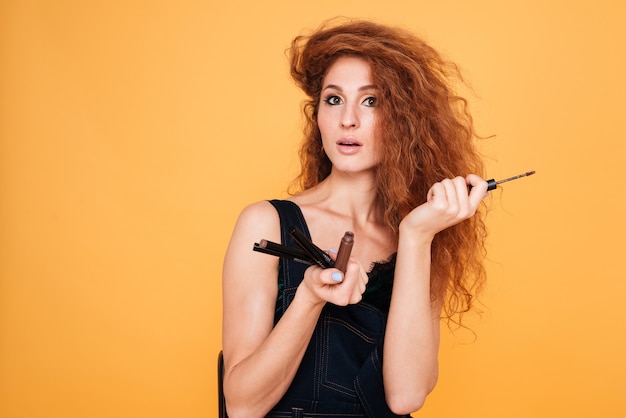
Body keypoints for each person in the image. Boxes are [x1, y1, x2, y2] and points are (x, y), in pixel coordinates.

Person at [221, 18, 489, 418]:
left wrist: (416, 236)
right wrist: (309, 299)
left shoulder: (421, 234)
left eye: (371, 101)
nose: (348, 119)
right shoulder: (266, 223)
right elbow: (242, 406)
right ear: (318, 117)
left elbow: (406, 396)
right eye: (334, 100)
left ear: (405, 119)